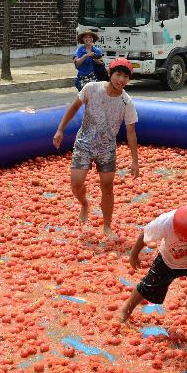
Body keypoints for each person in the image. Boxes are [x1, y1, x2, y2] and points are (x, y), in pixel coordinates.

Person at [53, 58, 139, 240]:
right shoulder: (92, 88)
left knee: (107, 187)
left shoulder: (126, 102)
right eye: (118, 74)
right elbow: (74, 107)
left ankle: (107, 226)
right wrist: (60, 130)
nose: (121, 80)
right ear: (110, 74)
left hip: (107, 148)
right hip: (84, 143)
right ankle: (84, 204)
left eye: (125, 76)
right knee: (76, 183)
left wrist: (135, 161)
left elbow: (131, 133)